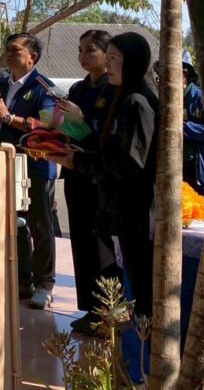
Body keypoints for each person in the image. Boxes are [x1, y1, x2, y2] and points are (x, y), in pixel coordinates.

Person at [47, 32, 158, 319]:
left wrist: (79, 160)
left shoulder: (137, 101)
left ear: (132, 61)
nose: (107, 65)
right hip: (119, 204)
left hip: (137, 208)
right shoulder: (116, 93)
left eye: (113, 58)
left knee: (142, 288)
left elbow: (129, 163)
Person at [55, 30, 120, 333]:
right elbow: (71, 129)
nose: (83, 56)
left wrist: (81, 120)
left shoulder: (114, 89)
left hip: (98, 174)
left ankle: (110, 312)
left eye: (90, 50)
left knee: (100, 245)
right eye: (81, 50)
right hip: (74, 170)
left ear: (108, 54)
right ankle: (91, 309)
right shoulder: (78, 88)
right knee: (81, 242)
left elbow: (106, 136)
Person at [0, 32, 57, 309]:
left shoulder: (44, 87)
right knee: (13, 223)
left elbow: (47, 125)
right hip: (4, 163)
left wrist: (9, 117)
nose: (9, 54)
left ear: (32, 57)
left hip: (36, 165)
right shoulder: (0, 84)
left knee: (40, 225)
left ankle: (45, 283)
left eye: (15, 50)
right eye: (7, 49)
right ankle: (23, 278)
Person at [181, 52, 204, 198]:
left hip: (200, 174)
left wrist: (181, 127)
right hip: (179, 172)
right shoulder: (167, 101)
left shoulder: (201, 98)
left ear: (186, 75)